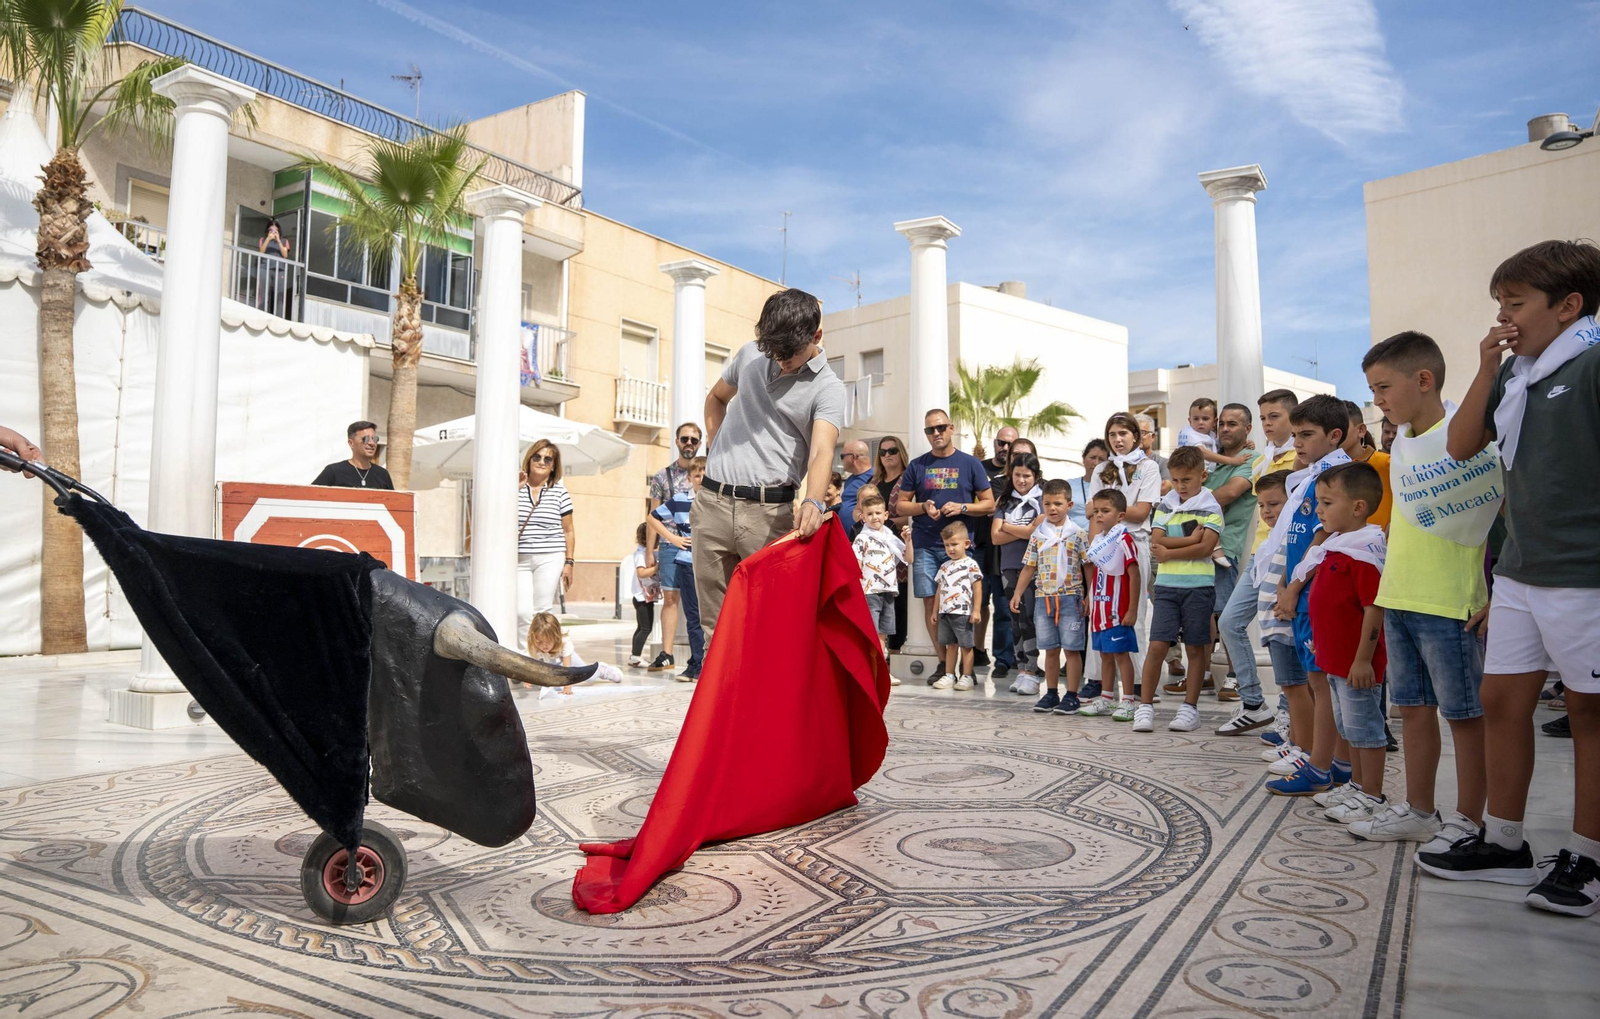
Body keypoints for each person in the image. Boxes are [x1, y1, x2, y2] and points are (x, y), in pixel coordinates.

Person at [1426, 239, 1600, 916]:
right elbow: (1462, 443)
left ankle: (1587, 856)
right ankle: (1503, 841)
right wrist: (1486, 365)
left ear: (1569, 306)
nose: (1504, 315)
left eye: (1516, 302)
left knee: (1589, 711)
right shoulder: (1518, 373)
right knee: (1502, 700)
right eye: (1499, 302)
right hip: (1523, 570)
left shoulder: (1589, 365)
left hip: (1584, 570)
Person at [1352, 331, 1491, 845]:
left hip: (1450, 599)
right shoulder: (1403, 441)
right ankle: (1419, 809)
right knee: (1412, 709)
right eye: (1372, 391)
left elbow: (1502, 513)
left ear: (1424, 379)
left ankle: (1469, 820)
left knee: (1465, 715)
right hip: (1400, 594)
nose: (1378, 401)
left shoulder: (1470, 434)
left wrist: (1495, 593)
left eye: (1383, 387)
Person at [696, 289, 846, 638]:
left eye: (788, 354)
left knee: (770, 626)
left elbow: (823, 450)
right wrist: (715, 441)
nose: (779, 361)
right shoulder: (751, 354)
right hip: (711, 505)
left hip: (768, 516)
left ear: (816, 336)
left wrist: (813, 499)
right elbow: (716, 398)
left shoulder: (828, 389)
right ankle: (720, 694)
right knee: (713, 631)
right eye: (773, 352)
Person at [1276, 463, 1389, 814]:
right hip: (1335, 661)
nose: (1320, 511)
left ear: (1357, 507)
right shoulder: (1337, 546)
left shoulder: (1366, 551)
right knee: (1348, 726)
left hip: (1356, 665)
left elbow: (1373, 609)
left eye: (1326, 503)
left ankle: (1371, 795)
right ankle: (1355, 785)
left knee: (1365, 730)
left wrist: (1362, 659)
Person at [1260, 394, 1353, 794]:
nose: (1297, 442)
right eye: (1295, 434)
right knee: (1316, 679)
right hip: (1300, 588)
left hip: (1318, 591)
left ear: (1335, 436)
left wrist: (1295, 586)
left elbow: (1326, 536)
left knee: (1326, 683)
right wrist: (1284, 578)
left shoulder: (1337, 480)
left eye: (1307, 434)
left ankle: (1328, 765)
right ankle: (1325, 760)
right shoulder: (1309, 476)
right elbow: (1293, 538)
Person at [1214, 389, 1300, 737]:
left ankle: (1287, 711)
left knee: (1281, 635)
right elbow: (1260, 514)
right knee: (1230, 623)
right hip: (1259, 556)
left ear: (1293, 419)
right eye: (1263, 417)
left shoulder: (1301, 458)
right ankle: (1253, 703)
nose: (1267, 423)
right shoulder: (1261, 459)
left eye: (1274, 416)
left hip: (1288, 555)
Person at [897, 409, 996, 683]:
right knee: (932, 603)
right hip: (926, 543)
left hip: (961, 547)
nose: (936, 433)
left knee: (964, 605)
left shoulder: (970, 463)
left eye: (940, 427)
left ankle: (966, 668)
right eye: (930, 430)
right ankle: (944, 665)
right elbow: (900, 504)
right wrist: (922, 506)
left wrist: (963, 506)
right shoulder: (917, 465)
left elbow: (989, 503)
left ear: (951, 428)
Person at [1134, 446, 1224, 733]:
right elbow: (1156, 541)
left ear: (1203, 476)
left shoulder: (1212, 508)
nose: (1181, 486)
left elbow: (1206, 548)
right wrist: (1188, 543)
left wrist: (1171, 552)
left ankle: (1190, 709)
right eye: (1176, 480)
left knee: (1196, 649)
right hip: (1167, 588)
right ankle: (1145, 707)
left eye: (1187, 479)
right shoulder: (1165, 505)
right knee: (1158, 645)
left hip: (1198, 587)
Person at [1089, 413, 1161, 695]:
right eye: (1112, 435)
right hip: (1105, 544)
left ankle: (1141, 686)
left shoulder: (1148, 467)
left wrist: (1106, 510)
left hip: (1135, 540)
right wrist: (1095, 546)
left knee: (1135, 615)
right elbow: (1092, 513)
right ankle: (1101, 685)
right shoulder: (1101, 469)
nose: (1117, 440)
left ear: (1136, 436)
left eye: (1123, 434)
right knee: (1103, 612)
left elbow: (1142, 511)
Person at [1198, 404, 1262, 702]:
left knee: (1226, 615)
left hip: (1228, 549)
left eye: (1233, 424)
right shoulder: (1216, 464)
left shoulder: (1252, 460)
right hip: (1198, 548)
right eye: (1221, 423)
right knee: (1203, 616)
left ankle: (1237, 678)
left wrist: (1188, 500)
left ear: (1248, 428)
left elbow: (1228, 494)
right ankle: (1207, 675)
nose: (1224, 429)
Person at [1011, 479, 1089, 715]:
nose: (1052, 508)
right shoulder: (1038, 535)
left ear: (1069, 504)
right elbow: (1028, 566)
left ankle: (1072, 695)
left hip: (1071, 598)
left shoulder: (1078, 534)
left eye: (1058, 503)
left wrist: (1090, 596)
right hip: (1043, 599)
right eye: (1047, 504)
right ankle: (1052, 692)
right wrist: (1017, 593)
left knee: (1072, 649)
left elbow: (1088, 567)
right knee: (1051, 649)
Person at [1247, 471, 1304, 748]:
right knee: (1291, 687)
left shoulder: (1292, 537)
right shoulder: (1271, 540)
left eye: (1274, 504)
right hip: (1273, 623)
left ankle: (1301, 746)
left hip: (1285, 623)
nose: (1267, 511)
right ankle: (1298, 742)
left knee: (1296, 687)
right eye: (1262, 505)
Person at [645, 423, 702, 673]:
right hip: (669, 543)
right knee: (670, 598)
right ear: (677, 442)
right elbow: (652, 515)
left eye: (694, 440)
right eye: (685, 439)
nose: (689, 443)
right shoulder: (661, 476)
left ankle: (699, 656)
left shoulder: (707, 472)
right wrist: (650, 550)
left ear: (699, 443)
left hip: (699, 547)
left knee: (698, 602)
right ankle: (667, 653)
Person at [1084, 489, 1141, 717]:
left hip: (1118, 611)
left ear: (1120, 515)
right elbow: (1096, 572)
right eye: (1096, 511)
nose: (1099, 515)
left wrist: (1133, 609)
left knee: (1121, 655)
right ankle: (1106, 697)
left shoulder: (1124, 539)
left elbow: (1135, 574)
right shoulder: (1098, 540)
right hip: (1100, 610)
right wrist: (1090, 596)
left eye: (1105, 511)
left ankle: (1128, 701)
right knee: (1104, 655)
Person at [993, 453, 1044, 695]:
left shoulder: (1043, 500)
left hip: (1033, 567)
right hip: (1009, 566)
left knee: (1028, 618)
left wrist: (1009, 528)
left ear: (1036, 476)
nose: (1021, 480)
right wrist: (1026, 530)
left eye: (1026, 475)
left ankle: (1033, 672)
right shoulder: (1004, 501)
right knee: (1015, 619)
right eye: (1017, 475)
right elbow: (995, 536)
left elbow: (1038, 533)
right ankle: (1021, 669)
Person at [515, 439, 575, 636]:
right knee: (521, 612)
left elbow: (568, 530)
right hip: (519, 558)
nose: (541, 461)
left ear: (553, 467)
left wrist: (569, 562)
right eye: (537, 456)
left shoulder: (560, 492)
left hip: (550, 556)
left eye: (548, 459)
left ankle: (538, 657)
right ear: (529, 459)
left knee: (541, 610)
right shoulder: (515, 487)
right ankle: (523, 655)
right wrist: (514, 488)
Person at [654, 457, 707, 681]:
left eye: (705, 473)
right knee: (693, 616)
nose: (701, 478)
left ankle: (707, 664)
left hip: (711, 564)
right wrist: (673, 539)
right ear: (689, 478)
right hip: (687, 563)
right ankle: (696, 665)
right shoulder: (680, 500)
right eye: (697, 475)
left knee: (712, 617)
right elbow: (653, 518)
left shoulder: (720, 502)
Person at [974, 427, 1019, 679]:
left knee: (1004, 607)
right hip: (979, 547)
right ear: (994, 443)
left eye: (1010, 444)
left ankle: (1005, 657)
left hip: (1005, 549)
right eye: (1002, 442)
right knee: (977, 603)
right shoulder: (979, 469)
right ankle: (976, 651)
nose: (1005, 448)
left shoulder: (1018, 478)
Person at [852, 487, 905, 686]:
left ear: (886, 514)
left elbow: (908, 558)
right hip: (869, 591)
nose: (874, 517)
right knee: (871, 634)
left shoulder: (891, 537)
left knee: (882, 635)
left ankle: (881, 671)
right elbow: (856, 565)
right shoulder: (862, 538)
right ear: (863, 517)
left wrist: (908, 541)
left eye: (877, 513)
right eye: (870, 514)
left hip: (889, 591)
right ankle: (868, 672)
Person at [872, 435, 913, 651]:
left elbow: (913, 515)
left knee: (899, 601)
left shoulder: (908, 480)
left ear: (901, 453)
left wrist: (886, 522)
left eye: (892, 451)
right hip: (876, 553)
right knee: (878, 601)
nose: (887, 455)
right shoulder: (875, 481)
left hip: (898, 547)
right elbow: (860, 507)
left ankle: (896, 648)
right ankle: (881, 650)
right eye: (883, 452)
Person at [933, 521, 984, 690]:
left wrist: (976, 610)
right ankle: (949, 675)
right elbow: (939, 590)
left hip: (963, 613)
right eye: (947, 545)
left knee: (966, 646)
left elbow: (977, 588)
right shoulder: (944, 566)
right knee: (950, 645)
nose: (950, 549)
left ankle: (967, 676)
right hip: (945, 613)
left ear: (966, 543)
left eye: (954, 544)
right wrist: (935, 611)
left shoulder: (971, 564)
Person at [526, 612, 621, 700]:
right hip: (551, 659)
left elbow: (567, 668)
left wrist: (567, 687)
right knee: (548, 680)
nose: (544, 645)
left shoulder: (564, 641)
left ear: (556, 636)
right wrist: (527, 678)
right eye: (540, 642)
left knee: (586, 676)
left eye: (548, 641)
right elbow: (531, 664)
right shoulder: (534, 644)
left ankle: (600, 669)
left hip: (563, 656)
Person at [1341, 400, 1394, 529]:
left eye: (1342, 427)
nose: (1335, 434)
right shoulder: (1324, 469)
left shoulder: (1387, 463)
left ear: (1361, 430)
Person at [312, 421, 394, 489]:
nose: (372, 443)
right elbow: (309, 498)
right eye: (365, 439)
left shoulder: (383, 475)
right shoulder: (334, 471)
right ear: (351, 443)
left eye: (375, 439)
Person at [625, 523, 661, 668]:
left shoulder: (647, 552)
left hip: (644, 597)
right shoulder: (641, 553)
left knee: (641, 627)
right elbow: (641, 573)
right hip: (642, 597)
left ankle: (634, 655)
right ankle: (635, 656)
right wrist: (657, 567)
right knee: (646, 628)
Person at [1067, 439, 1109, 530]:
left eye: (1101, 460)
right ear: (1083, 458)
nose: (1096, 463)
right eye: (1092, 457)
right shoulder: (1068, 485)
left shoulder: (1110, 487)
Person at [838, 439, 874, 539]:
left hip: (864, 540)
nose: (842, 460)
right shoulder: (849, 480)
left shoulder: (875, 478)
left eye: (842, 456)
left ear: (853, 457)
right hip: (847, 540)